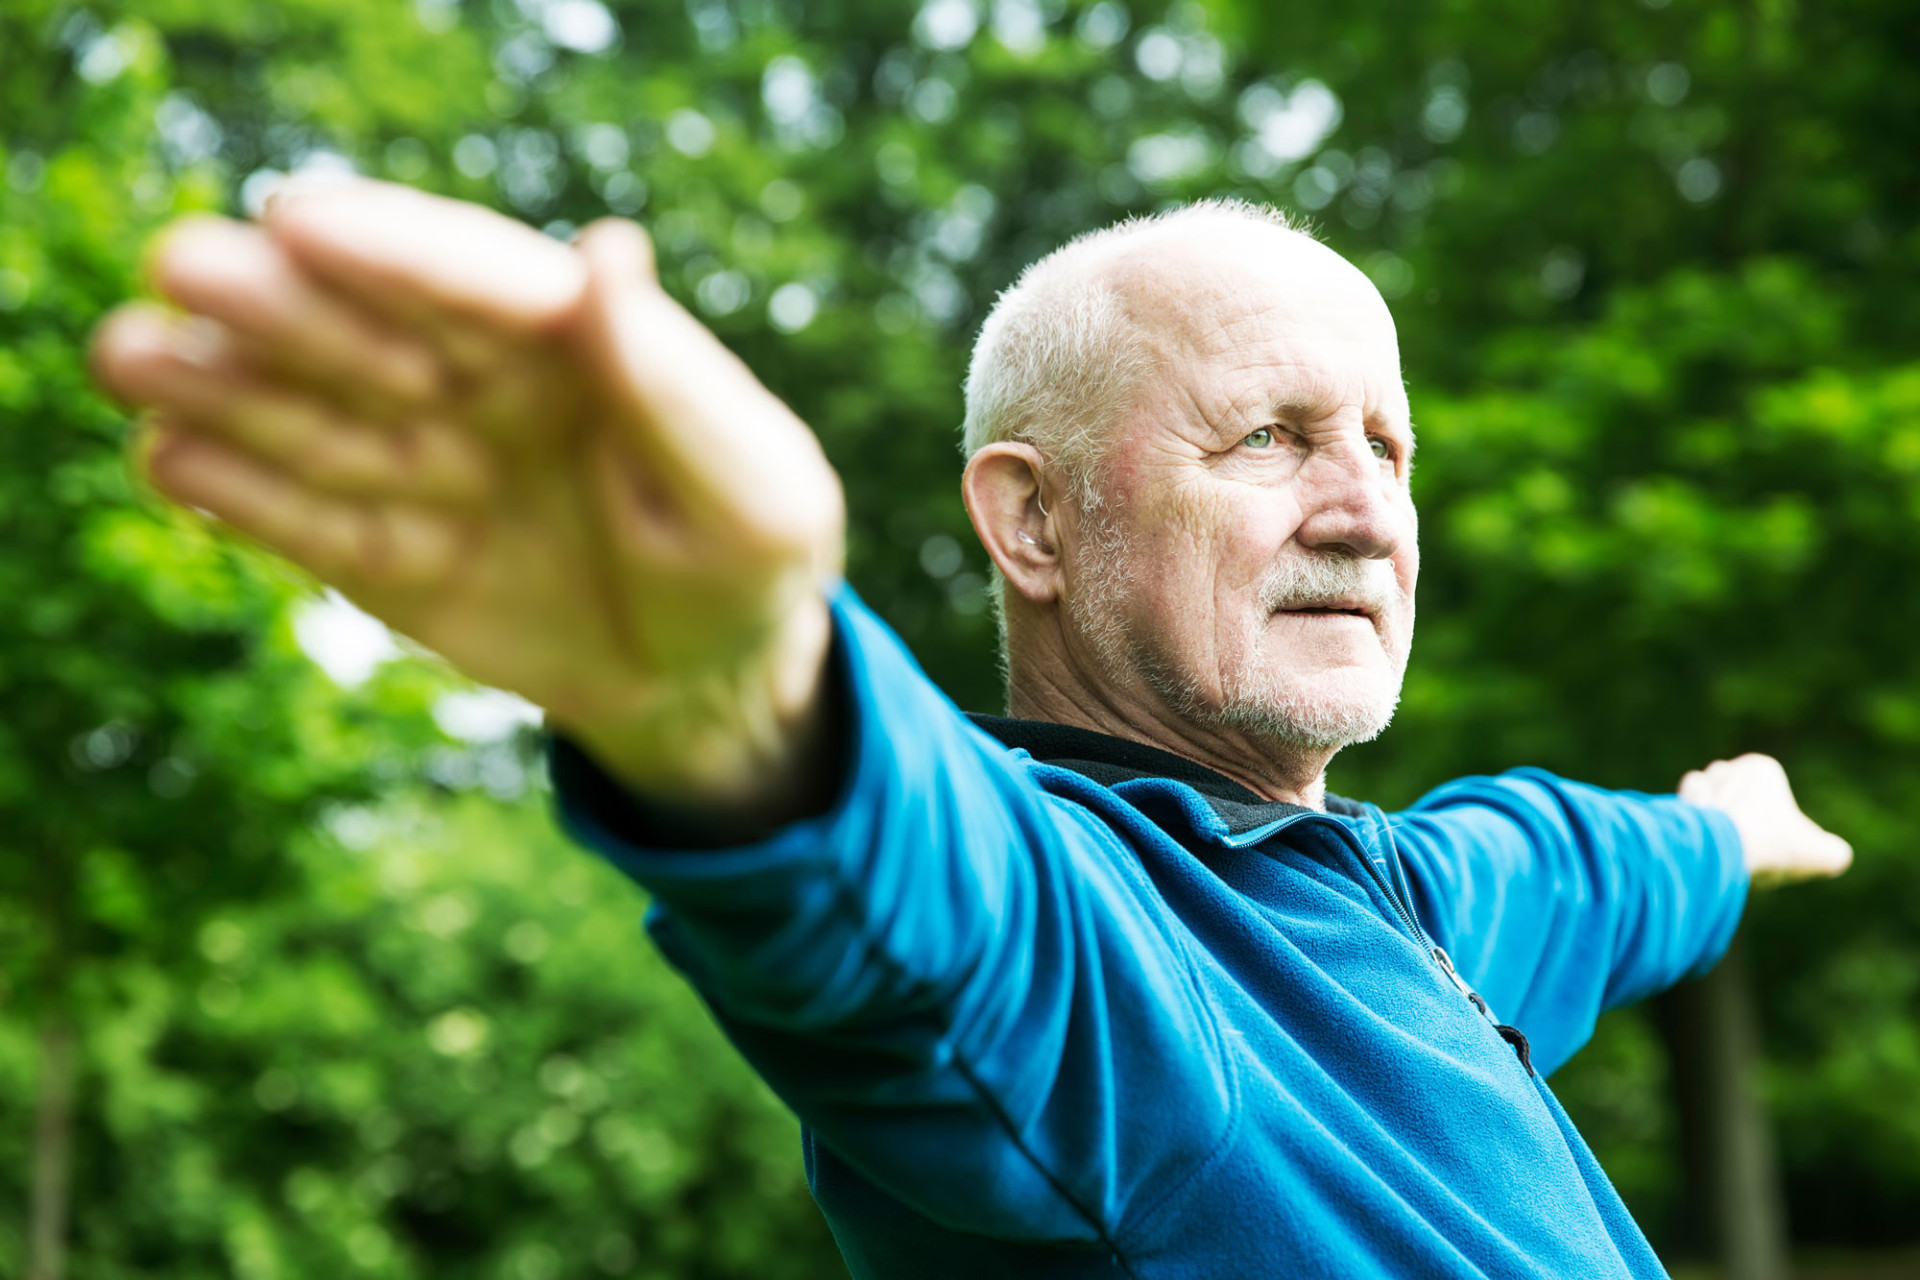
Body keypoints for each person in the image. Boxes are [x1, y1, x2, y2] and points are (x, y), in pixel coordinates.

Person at [90, 181, 1852, 1279]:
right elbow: (936, 918)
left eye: (1390, 449)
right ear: (1033, 522)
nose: (1366, 511)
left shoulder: (1409, 906)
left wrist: (1729, 834)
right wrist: (738, 693)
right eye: (1270, 437)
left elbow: (1579, 864)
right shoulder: (1113, 960)